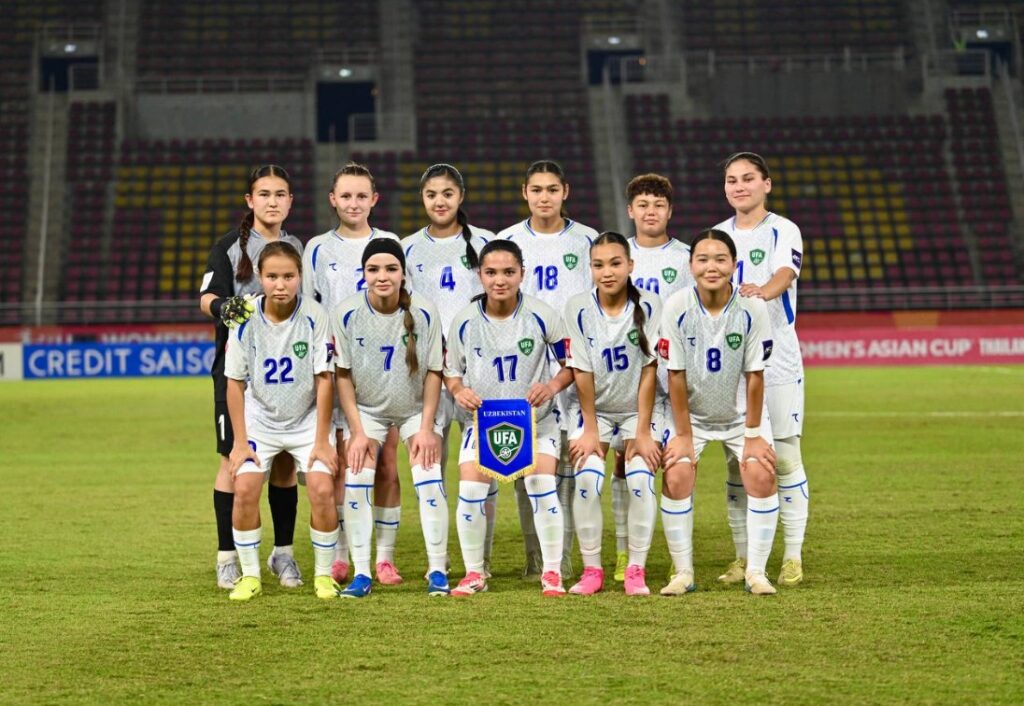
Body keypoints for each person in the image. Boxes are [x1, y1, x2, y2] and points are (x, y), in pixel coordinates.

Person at [444, 240, 574, 596]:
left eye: (508, 272)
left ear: (522, 274)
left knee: (541, 485)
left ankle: (551, 573)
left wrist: (551, 386)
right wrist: (459, 391)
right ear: (480, 275)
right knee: (470, 490)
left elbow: (572, 365)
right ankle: (474, 573)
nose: (499, 280)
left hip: (536, 422)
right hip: (484, 423)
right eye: (491, 272)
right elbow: (451, 372)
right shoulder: (465, 321)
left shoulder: (542, 315)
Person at [198, 165, 304, 590]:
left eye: (280, 194)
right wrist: (225, 308)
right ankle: (227, 557)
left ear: (290, 201)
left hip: (289, 374)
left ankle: (283, 554)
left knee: (284, 463)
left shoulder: (297, 247)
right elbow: (206, 297)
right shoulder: (229, 247)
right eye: (264, 194)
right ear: (250, 200)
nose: (272, 201)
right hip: (238, 373)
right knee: (233, 460)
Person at [659, 229, 779, 595]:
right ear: (691, 265)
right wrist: (683, 435)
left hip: (742, 418)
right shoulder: (677, 306)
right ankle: (683, 573)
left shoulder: (752, 308)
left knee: (761, 475)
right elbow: (675, 375)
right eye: (703, 259)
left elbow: (755, 376)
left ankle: (756, 572)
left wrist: (753, 435)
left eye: (720, 259)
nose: (711, 267)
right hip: (692, 417)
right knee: (676, 477)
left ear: (734, 265)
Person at [302, 163, 406, 587]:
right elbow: (308, 309)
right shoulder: (316, 249)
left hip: (384, 369)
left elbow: (404, 303)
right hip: (337, 369)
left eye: (361, 196)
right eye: (345, 196)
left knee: (387, 465)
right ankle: (343, 554)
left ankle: (385, 558)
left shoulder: (390, 243)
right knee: (345, 465)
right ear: (333, 200)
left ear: (374, 199)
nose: (353, 203)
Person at [332, 238, 450, 597]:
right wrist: (357, 431)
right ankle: (362, 573)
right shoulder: (347, 313)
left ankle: (437, 570)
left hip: (417, 409)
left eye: (390, 269)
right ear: (363, 273)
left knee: (428, 478)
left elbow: (435, 371)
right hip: (367, 411)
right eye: (373, 269)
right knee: (357, 477)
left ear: (403, 273)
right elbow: (342, 375)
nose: (382, 276)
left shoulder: (425, 312)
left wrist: (426, 428)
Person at [498, 159, 599, 579]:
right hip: (525, 365)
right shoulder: (508, 240)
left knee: (570, 465)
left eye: (552, 189)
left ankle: (564, 555)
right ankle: (534, 556)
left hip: (572, 363)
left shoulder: (587, 240)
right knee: (527, 465)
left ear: (565, 192)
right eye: (536, 189)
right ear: (525, 193)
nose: (544, 197)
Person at [222, 242, 339, 601]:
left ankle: (323, 576)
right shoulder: (244, 318)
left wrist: (321, 440)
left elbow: (325, 379)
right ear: (260, 277)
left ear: (300, 277)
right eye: (272, 276)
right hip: (260, 422)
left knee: (322, 489)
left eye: (288, 276)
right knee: (245, 489)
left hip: (307, 422)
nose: (280, 284)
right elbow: (234, 382)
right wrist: (239, 442)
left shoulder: (315, 316)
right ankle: (250, 576)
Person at [713, 152, 809, 587]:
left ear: (766, 184)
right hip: (733, 363)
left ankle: (792, 556)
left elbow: (785, 274)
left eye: (748, 178)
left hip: (777, 359)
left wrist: (760, 293)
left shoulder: (783, 229)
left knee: (785, 457)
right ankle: (743, 556)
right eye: (732, 180)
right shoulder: (718, 236)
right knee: (738, 463)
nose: (739, 186)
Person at [402, 163, 497, 576]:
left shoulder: (486, 243)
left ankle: (482, 561)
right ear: (422, 199)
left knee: (486, 470)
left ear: (461, 196)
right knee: (430, 467)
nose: (439, 201)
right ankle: (436, 562)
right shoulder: (406, 248)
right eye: (431, 194)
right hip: (428, 376)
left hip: (479, 375)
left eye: (447, 193)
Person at [603, 173, 694, 582]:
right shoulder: (618, 256)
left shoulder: (688, 258)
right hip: (627, 376)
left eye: (658, 205)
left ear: (670, 211)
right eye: (642, 204)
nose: (650, 211)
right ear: (630, 210)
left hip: (672, 376)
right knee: (624, 463)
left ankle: (679, 556)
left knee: (677, 466)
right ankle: (624, 553)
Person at [564, 232, 662, 596]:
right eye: (599, 265)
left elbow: (650, 369)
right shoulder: (577, 307)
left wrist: (643, 431)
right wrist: (590, 430)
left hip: (639, 410)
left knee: (639, 480)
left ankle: (636, 568)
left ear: (630, 265)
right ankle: (592, 570)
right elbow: (581, 371)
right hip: (595, 411)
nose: (607, 272)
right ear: (590, 268)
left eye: (616, 263)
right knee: (587, 480)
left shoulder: (650, 305)